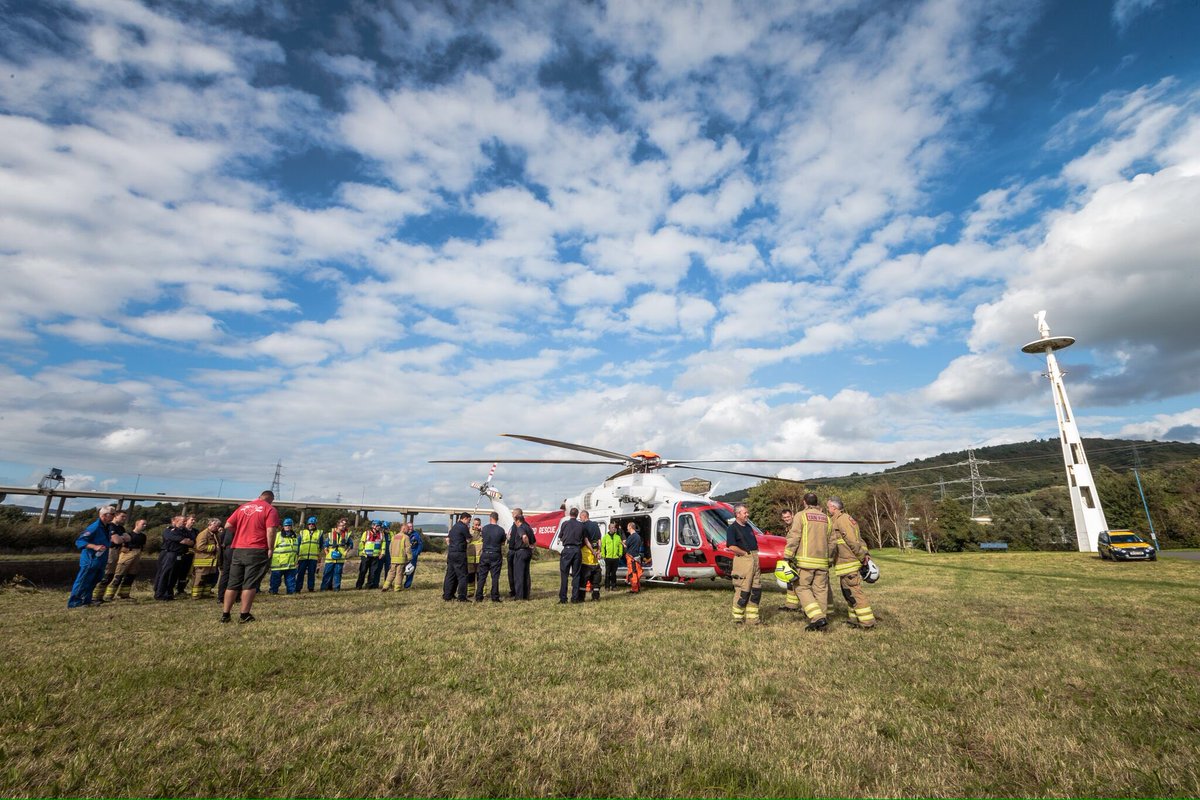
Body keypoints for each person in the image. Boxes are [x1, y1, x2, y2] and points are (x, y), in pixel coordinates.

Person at [221, 490, 280, 623]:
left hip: (238, 548)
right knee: (250, 583)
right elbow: (270, 530)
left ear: (259, 497)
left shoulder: (243, 507)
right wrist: (270, 548)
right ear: (271, 499)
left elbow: (228, 525)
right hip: (256, 549)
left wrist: (241, 532)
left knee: (232, 583)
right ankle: (244, 614)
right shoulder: (270, 509)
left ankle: (225, 614)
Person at [783, 494, 835, 631]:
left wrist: (787, 556)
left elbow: (794, 537)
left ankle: (817, 617)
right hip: (822, 563)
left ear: (804, 502)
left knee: (801, 588)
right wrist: (829, 560)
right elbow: (832, 542)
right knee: (821, 591)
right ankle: (822, 621)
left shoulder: (801, 516)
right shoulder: (827, 519)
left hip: (805, 563)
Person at [828, 497, 876, 629]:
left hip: (849, 562)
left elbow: (853, 541)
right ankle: (854, 619)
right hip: (846, 563)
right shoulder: (845, 519)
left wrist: (862, 557)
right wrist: (865, 554)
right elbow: (860, 540)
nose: (828, 509)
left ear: (834, 507)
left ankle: (867, 622)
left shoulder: (842, 520)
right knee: (848, 592)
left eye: (829, 507)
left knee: (855, 592)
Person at [68, 505, 115, 608]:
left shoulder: (107, 527)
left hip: (101, 559)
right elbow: (80, 541)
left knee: (95, 579)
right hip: (91, 559)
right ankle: (75, 602)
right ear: (103, 515)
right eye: (112, 514)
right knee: (83, 580)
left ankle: (86, 600)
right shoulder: (95, 527)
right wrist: (94, 546)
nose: (114, 516)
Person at [727, 504, 761, 625]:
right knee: (743, 590)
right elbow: (731, 546)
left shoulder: (748, 527)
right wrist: (744, 553)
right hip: (743, 560)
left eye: (747, 512)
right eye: (745, 513)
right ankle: (737, 618)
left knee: (755, 590)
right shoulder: (732, 528)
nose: (747, 515)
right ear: (737, 514)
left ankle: (753, 619)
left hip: (755, 559)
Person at [103, 518, 148, 600]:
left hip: (137, 553)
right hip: (127, 553)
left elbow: (143, 546)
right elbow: (121, 544)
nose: (144, 526)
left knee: (131, 575)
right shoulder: (129, 534)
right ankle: (109, 595)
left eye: (145, 524)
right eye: (143, 524)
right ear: (137, 524)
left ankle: (124, 594)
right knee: (119, 574)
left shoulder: (143, 536)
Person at [92, 510, 129, 602]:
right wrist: (122, 538)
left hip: (117, 551)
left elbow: (128, 538)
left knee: (110, 575)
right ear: (116, 516)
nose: (124, 519)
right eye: (122, 516)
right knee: (106, 575)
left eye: (125, 517)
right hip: (110, 551)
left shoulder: (121, 528)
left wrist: (122, 538)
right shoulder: (111, 526)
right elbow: (117, 540)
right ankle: (95, 597)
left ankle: (100, 597)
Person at [154, 515, 194, 601]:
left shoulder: (185, 531)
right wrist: (185, 541)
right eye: (183, 521)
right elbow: (182, 540)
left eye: (185, 521)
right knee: (165, 574)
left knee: (174, 575)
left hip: (180, 555)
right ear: (175, 521)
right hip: (170, 554)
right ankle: (160, 594)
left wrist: (186, 541)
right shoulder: (169, 530)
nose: (185, 522)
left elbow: (192, 542)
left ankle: (169, 594)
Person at [473, 512, 506, 602]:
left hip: (485, 553)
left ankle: (479, 597)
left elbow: (482, 537)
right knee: (495, 577)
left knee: (482, 576)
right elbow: (503, 543)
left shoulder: (485, 529)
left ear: (490, 518)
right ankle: (495, 597)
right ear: (497, 519)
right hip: (496, 553)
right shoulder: (501, 530)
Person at [557, 507, 586, 604]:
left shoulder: (565, 524)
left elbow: (560, 537)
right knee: (576, 574)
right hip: (577, 550)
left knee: (564, 574)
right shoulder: (581, 525)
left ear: (570, 514)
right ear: (577, 514)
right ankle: (575, 598)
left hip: (567, 549)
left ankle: (563, 598)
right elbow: (584, 539)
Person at [190, 518, 222, 599]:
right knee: (200, 578)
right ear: (210, 525)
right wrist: (215, 547)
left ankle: (205, 593)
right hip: (203, 560)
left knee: (209, 579)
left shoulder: (214, 534)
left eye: (218, 526)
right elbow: (200, 547)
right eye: (216, 526)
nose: (217, 528)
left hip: (211, 561)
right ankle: (196, 595)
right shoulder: (203, 534)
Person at [443, 512, 472, 602]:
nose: (469, 522)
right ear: (465, 518)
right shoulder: (464, 527)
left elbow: (448, 539)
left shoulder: (454, 527)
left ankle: (448, 595)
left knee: (450, 575)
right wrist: (469, 531)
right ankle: (462, 597)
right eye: (469, 521)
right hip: (460, 553)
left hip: (451, 553)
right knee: (462, 575)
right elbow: (469, 539)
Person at [269, 518, 300, 595]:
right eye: (286, 525)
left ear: (292, 526)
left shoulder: (295, 536)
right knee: (275, 580)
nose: (288, 527)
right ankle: (273, 592)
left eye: (289, 525)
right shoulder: (278, 535)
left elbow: (296, 549)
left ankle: (291, 592)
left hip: (291, 565)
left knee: (291, 580)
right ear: (283, 526)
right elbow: (271, 547)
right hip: (278, 564)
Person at [321, 518, 353, 591]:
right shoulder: (330, 535)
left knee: (337, 573)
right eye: (342, 525)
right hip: (330, 558)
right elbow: (325, 545)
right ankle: (324, 588)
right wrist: (326, 552)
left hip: (340, 558)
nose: (343, 527)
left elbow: (351, 544)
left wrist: (346, 552)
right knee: (327, 573)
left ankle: (336, 588)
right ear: (338, 526)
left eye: (344, 525)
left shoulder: (346, 535)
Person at [509, 509, 534, 600]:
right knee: (526, 574)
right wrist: (530, 547)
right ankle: (526, 595)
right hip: (527, 552)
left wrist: (526, 543)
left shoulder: (520, 527)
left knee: (518, 574)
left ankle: (519, 596)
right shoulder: (528, 527)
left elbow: (524, 536)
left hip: (520, 551)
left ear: (518, 519)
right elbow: (534, 541)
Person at [382, 522, 414, 592]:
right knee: (399, 574)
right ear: (404, 529)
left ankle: (385, 586)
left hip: (393, 559)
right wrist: (410, 558)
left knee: (391, 573)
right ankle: (397, 588)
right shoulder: (406, 537)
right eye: (407, 529)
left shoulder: (394, 536)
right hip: (401, 559)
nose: (408, 531)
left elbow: (390, 548)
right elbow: (408, 548)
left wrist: (391, 556)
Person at [577, 512, 602, 602]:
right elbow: (599, 539)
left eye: (580, 517)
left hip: (586, 556)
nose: (580, 519)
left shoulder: (582, 526)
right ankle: (595, 597)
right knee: (596, 579)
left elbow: (586, 541)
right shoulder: (595, 525)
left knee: (583, 579)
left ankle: (581, 598)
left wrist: (592, 551)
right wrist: (599, 551)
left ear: (584, 516)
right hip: (595, 558)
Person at [295, 517, 323, 593]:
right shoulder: (302, 533)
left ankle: (311, 588)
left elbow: (321, 545)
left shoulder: (319, 533)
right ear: (307, 524)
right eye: (310, 524)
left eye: (313, 524)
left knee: (311, 574)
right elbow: (298, 544)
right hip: (302, 557)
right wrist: (297, 554)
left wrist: (318, 554)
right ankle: (298, 588)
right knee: (300, 573)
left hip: (313, 557)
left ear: (315, 524)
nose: (311, 525)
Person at [173, 514, 198, 596]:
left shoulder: (195, 531)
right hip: (181, 553)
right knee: (176, 572)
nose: (194, 521)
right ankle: (172, 588)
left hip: (191, 554)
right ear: (186, 520)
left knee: (186, 573)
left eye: (194, 520)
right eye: (192, 520)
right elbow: (183, 541)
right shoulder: (182, 530)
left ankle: (181, 589)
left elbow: (196, 542)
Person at [355, 521, 385, 590]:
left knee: (372, 572)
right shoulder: (366, 533)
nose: (379, 527)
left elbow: (383, 544)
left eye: (380, 526)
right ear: (373, 526)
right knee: (363, 571)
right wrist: (362, 554)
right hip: (366, 556)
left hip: (375, 556)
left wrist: (382, 553)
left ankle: (369, 586)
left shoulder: (381, 534)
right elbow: (361, 544)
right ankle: (359, 586)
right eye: (378, 525)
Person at [601, 522, 624, 590]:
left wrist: (620, 554)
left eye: (614, 527)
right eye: (612, 527)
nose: (614, 528)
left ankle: (614, 586)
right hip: (608, 558)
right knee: (607, 573)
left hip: (616, 558)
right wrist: (603, 555)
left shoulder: (618, 537)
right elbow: (602, 547)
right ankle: (607, 586)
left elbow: (620, 546)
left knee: (614, 573)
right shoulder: (605, 537)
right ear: (609, 528)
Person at [623, 522, 644, 593]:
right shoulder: (638, 536)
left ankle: (634, 589)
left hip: (631, 557)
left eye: (628, 527)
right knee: (636, 572)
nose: (627, 528)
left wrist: (622, 542)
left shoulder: (631, 536)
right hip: (636, 557)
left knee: (632, 573)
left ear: (630, 527)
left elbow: (626, 545)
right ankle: (638, 587)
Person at [466, 517, 483, 598]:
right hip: (470, 558)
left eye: (478, 525)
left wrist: (482, 530)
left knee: (481, 576)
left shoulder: (482, 533)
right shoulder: (469, 532)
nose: (477, 526)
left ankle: (482, 592)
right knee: (471, 576)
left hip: (480, 558)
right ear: (473, 524)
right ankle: (470, 592)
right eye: (475, 524)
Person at [404, 525, 424, 589]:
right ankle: (398, 584)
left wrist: (416, 553)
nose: (411, 528)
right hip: (403, 554)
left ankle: (407, 586)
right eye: (409, 526)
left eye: (412, 526)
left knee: (410, 570)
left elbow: (420, 544)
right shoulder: (403, 534)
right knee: (400, 569)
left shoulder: (416, 535)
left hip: (413, 555)